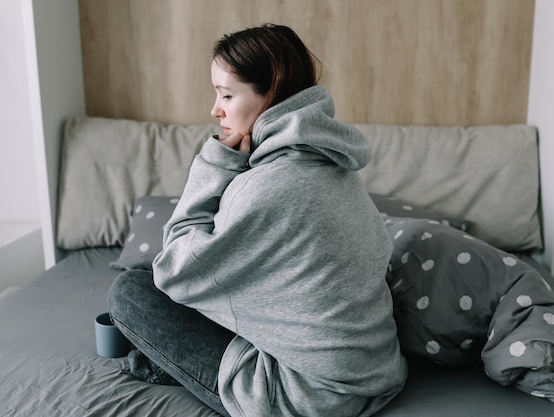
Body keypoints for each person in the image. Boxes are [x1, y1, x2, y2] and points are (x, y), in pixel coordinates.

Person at [108, 23, 407, 417]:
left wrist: (211, 165)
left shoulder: (267, 187)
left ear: (271, 93)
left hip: (308, 398)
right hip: (376, 372)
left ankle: (173, 367)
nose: (215, 110)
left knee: (132, 291)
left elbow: (173, 272)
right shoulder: (335, 164)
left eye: (227, 95)